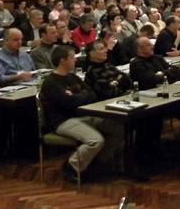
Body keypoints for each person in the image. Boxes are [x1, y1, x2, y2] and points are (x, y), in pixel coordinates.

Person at [40, 46, 123, 182]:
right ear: (62, 61)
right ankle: (72, 166)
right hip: (63, 121)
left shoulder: (72, 77)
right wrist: (81, 95)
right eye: (72, 57)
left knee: (118, 129)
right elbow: (67, 103)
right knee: (95, 141)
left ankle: (96, 162)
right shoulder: (51, 82)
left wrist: (76, 96)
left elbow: (92, 94)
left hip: (84, 116)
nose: (75, 60)